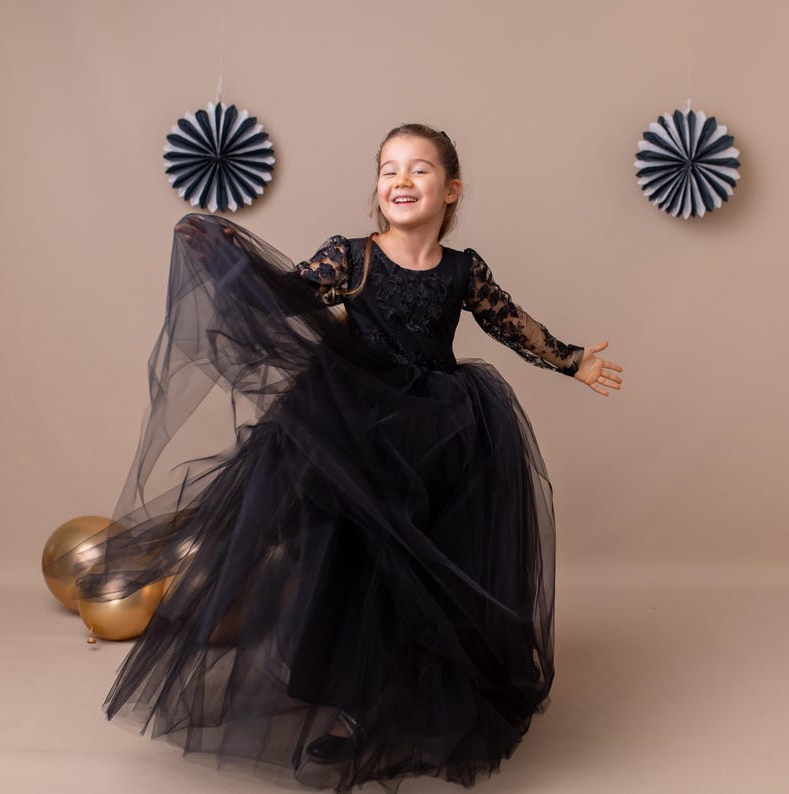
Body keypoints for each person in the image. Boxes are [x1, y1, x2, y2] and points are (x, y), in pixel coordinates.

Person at [78, 123, 622, 792]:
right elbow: (290, 294)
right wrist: (229, 259)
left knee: (430, 567)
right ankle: (354, 708)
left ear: (450, 190)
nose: (399, 180)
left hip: (443, 432)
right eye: (388, 168)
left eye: (418, 170)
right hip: (359, 426)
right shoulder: (352, 258)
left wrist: (570, 361)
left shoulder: (463, 269)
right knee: (353, 565)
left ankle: (414, 696)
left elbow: (509, 320)